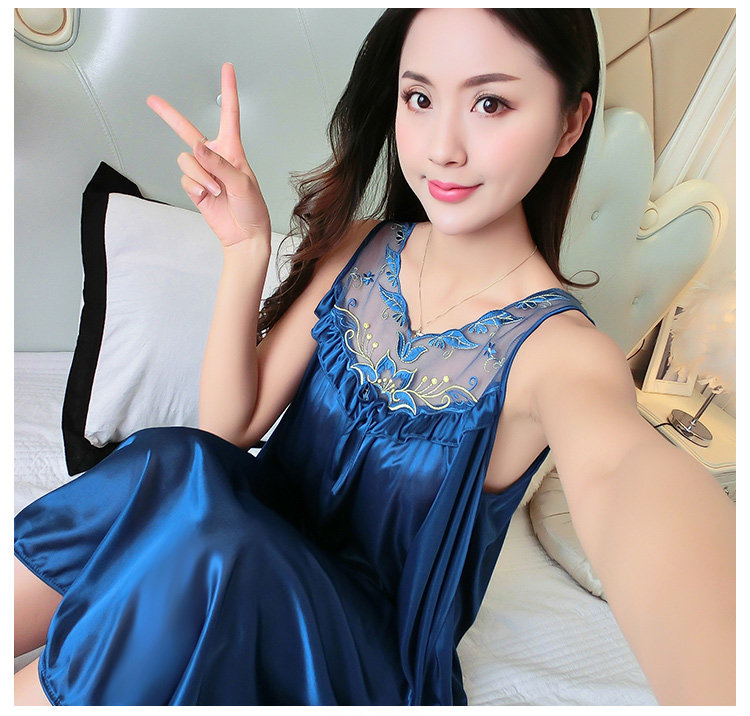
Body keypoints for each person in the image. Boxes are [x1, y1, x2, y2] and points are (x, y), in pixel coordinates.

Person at [14, 8, 735, 706]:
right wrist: (244, 251)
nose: (442, 147)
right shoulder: (367, 246)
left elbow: (622, 473)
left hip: (361, 655)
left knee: (210, 548)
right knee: (171, 460)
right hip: (247, 550)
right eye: (419, 97)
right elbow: (227, 428)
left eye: (490, 104)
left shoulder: (560, 353)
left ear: (569, 123)